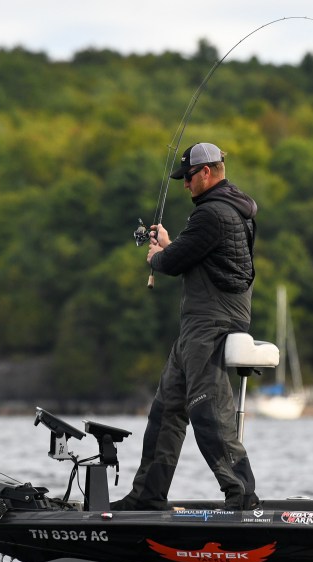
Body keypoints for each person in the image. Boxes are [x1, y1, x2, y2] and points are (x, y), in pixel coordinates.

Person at [111, 142, 261, 511]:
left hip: (211, 326)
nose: (185, 184)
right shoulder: (229, 209)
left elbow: (173, 263)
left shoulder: (212, 213)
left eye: (188, 177)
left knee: (207, 410)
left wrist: (157, 256)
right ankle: (147, 497)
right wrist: (170, 247)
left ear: (206, 172)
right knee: (166, 412)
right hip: (198, 327)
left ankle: (242, 495)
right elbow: (196, 255)